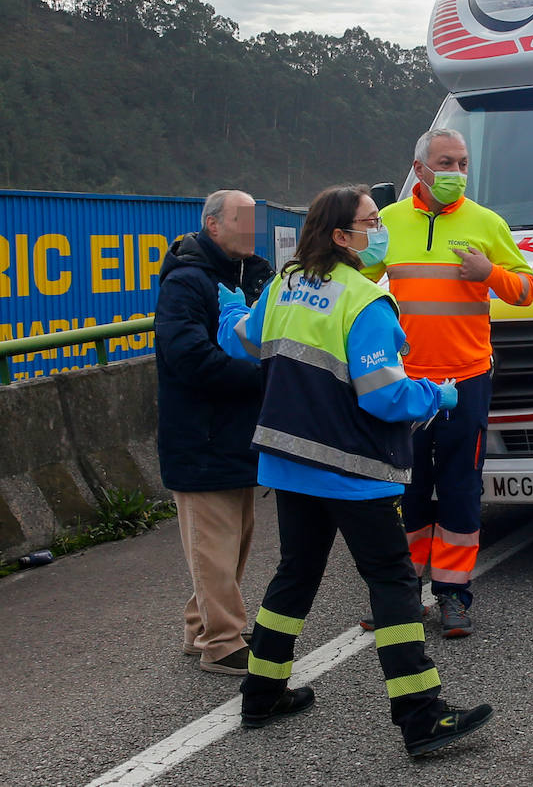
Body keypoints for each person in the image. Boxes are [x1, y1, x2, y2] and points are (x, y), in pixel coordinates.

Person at [216, 184, 493, 756]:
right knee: (392, 582)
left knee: (295, 574)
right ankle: (420, 715)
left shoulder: (285, 284)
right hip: (352, 469)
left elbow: (244, 340)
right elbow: (385, 397)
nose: (380, 230)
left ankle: (262, 692)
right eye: (371, 222)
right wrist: (436, 394)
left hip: (291, 464)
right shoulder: (365, 301)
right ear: (342, 237)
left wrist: (230, 312)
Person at [358, 127, 533, 638]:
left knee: (459, 488)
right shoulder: (386, 224)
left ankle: (454, 596)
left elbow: (525, 289)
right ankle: (403, 592)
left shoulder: (488, 224)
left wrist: (489, 274)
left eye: (462, 163)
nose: (456, 173)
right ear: (419, 169)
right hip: (404, 385)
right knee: (405, 489)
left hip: (468, 380)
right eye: (445, 163)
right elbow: (357, 283)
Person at [155, 189, 274, 675]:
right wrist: (263, 377)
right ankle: (222, 643)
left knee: (233, 540)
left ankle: (198, 626)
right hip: (201, 434)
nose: (250, 229)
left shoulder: (253, 275)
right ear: (212, 226)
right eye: (238, 220)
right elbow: (187, 356)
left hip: (237, 432)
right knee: (214, 541)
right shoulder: (187, 283)